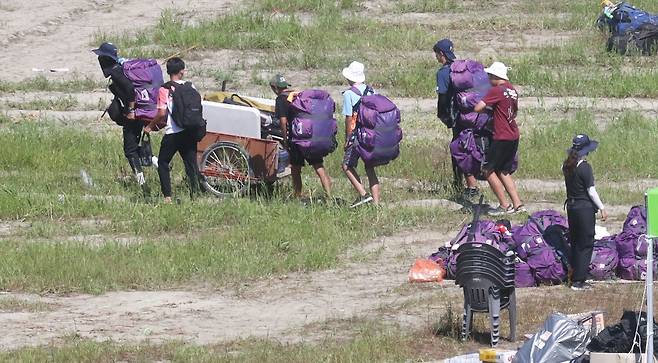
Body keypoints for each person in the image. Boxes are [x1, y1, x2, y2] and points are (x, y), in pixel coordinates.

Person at [145, 57, 200, 203]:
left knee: (163, 162)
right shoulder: (191, 86)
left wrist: (150, 126)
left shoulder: (165, 89)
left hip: (173, 133)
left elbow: (162, 113)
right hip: (189, 131)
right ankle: (195, 196)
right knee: (191, 164)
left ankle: (167, 197)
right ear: (182, 71)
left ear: (168, 71)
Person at [474, 61, 525, 216]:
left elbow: (477, 107)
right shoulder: (512, 90)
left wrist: (487, 111)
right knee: (504, 170)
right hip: (513, 134)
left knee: (487, 170)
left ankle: (504, 205)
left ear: (496, 76)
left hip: (501, 135)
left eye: (490, 76)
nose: (489, 79)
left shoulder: (496, 90)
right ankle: (518, 204)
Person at [270, 74, 332, 199]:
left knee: (295, 169)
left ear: (274, 87)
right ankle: (329, 196)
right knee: (318, 166)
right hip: (311, 135)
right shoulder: (298, 95)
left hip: (296, 138)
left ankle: (297, 196)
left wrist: (285, 139)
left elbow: (283, 121)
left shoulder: (281, 99)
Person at [92, 42, 145, 186]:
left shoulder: (116, 72)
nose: (99, 60)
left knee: (130, 151)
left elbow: (129, 89)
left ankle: (142, 182)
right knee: (134, 148)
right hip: (137, 112)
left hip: (132, 115)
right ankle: (156, 162)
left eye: (100, 57)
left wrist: (131, 110)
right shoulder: (119, 68)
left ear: (106, 58)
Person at [434, 39, 480, 202]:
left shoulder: (443, 73)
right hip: (474, 114)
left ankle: (465, 185)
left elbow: (443, 98)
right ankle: (469, 183)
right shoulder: (462, 69)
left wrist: (444, 117)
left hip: (459, 117)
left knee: (458, 148)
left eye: (437, 54)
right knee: (472, 147)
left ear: (441, 54)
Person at [563, 134, 607, 291]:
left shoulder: (567, 165)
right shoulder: (584, 167)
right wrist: (602, 207)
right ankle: (578, 281)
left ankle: (574, 276)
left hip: (571, 207)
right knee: (586, 243)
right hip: (584, 209)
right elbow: (591, 191)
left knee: (575, 242)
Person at [341, 61, 378, 208]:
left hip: (357, 135)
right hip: (371, 134)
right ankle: (376, 204)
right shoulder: (372, 91)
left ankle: (363, 195)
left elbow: (349, 118)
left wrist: (348, 138)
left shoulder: (349, 94)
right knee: (369, 167)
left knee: (346, 165)